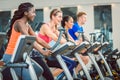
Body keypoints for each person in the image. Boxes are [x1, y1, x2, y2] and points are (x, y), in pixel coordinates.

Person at [1, 2, 54, 80]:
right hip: (11, 56)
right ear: (25, 13)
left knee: (38, 70)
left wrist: (52, 48)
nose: (35, 14)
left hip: (20, 56)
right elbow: (29, 40)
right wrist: (42, 52)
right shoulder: (19, 23)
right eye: (33, 12)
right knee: (29, 77)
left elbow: (38, 39)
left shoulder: (27, 25)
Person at [38, 9, 77, 76]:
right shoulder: (45, 26)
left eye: (61, 17)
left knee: (72, 63)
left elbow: (62, 38)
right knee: (69, 64)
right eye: (59, 17)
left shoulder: (55, 28)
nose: (61, 19)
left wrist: (72, 43)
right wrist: (68, 43)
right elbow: (56, 39)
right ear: (53, 16)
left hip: (49, 53)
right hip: (42, 54)